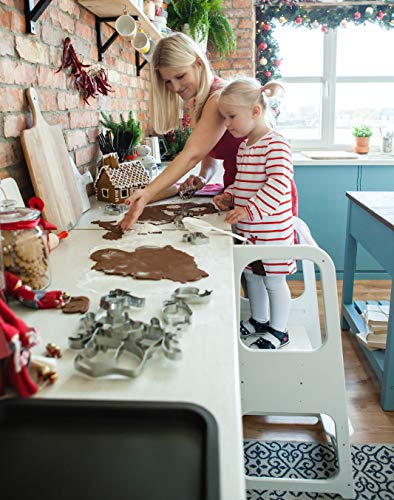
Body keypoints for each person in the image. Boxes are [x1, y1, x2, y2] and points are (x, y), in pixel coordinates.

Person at [119, 32, 297, 230]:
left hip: (261, 203)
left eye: (180, 76)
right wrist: (203, 177)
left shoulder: (216, 98)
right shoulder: (203, 99)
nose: (175, 87)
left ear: (198, 64)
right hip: (238, 195)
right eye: (167, 81)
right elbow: (209, 153)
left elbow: (192, 155)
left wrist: (147, 194)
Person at [213, 77, 296, 350]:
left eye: (231, 116)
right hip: (251, 231)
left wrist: (250, 208)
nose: (227, 123)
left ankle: (279, 330)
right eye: (225, 117)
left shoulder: (276, 144)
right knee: (252, 275)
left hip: (272, 232)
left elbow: (278, 184)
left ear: (256, 112)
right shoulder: (245, 146)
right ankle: (259, 319)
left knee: (273, 280)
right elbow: (247, 182)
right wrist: (232, 195)